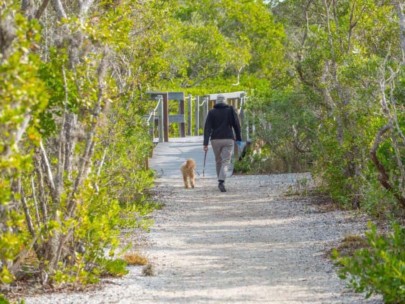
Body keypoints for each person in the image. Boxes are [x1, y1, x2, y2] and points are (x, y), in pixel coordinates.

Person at [203, 94, 242, 192]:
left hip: (215, 139)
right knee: (226, 161)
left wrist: (205, 143)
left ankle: (220, 180)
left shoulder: (211, 112)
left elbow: (207, 128)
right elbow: (236, 125)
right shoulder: (230, 111)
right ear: (225, 101)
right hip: (228, 139)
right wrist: (239, 138)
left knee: (218, 160)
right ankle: (221, 181)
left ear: (216, 102)